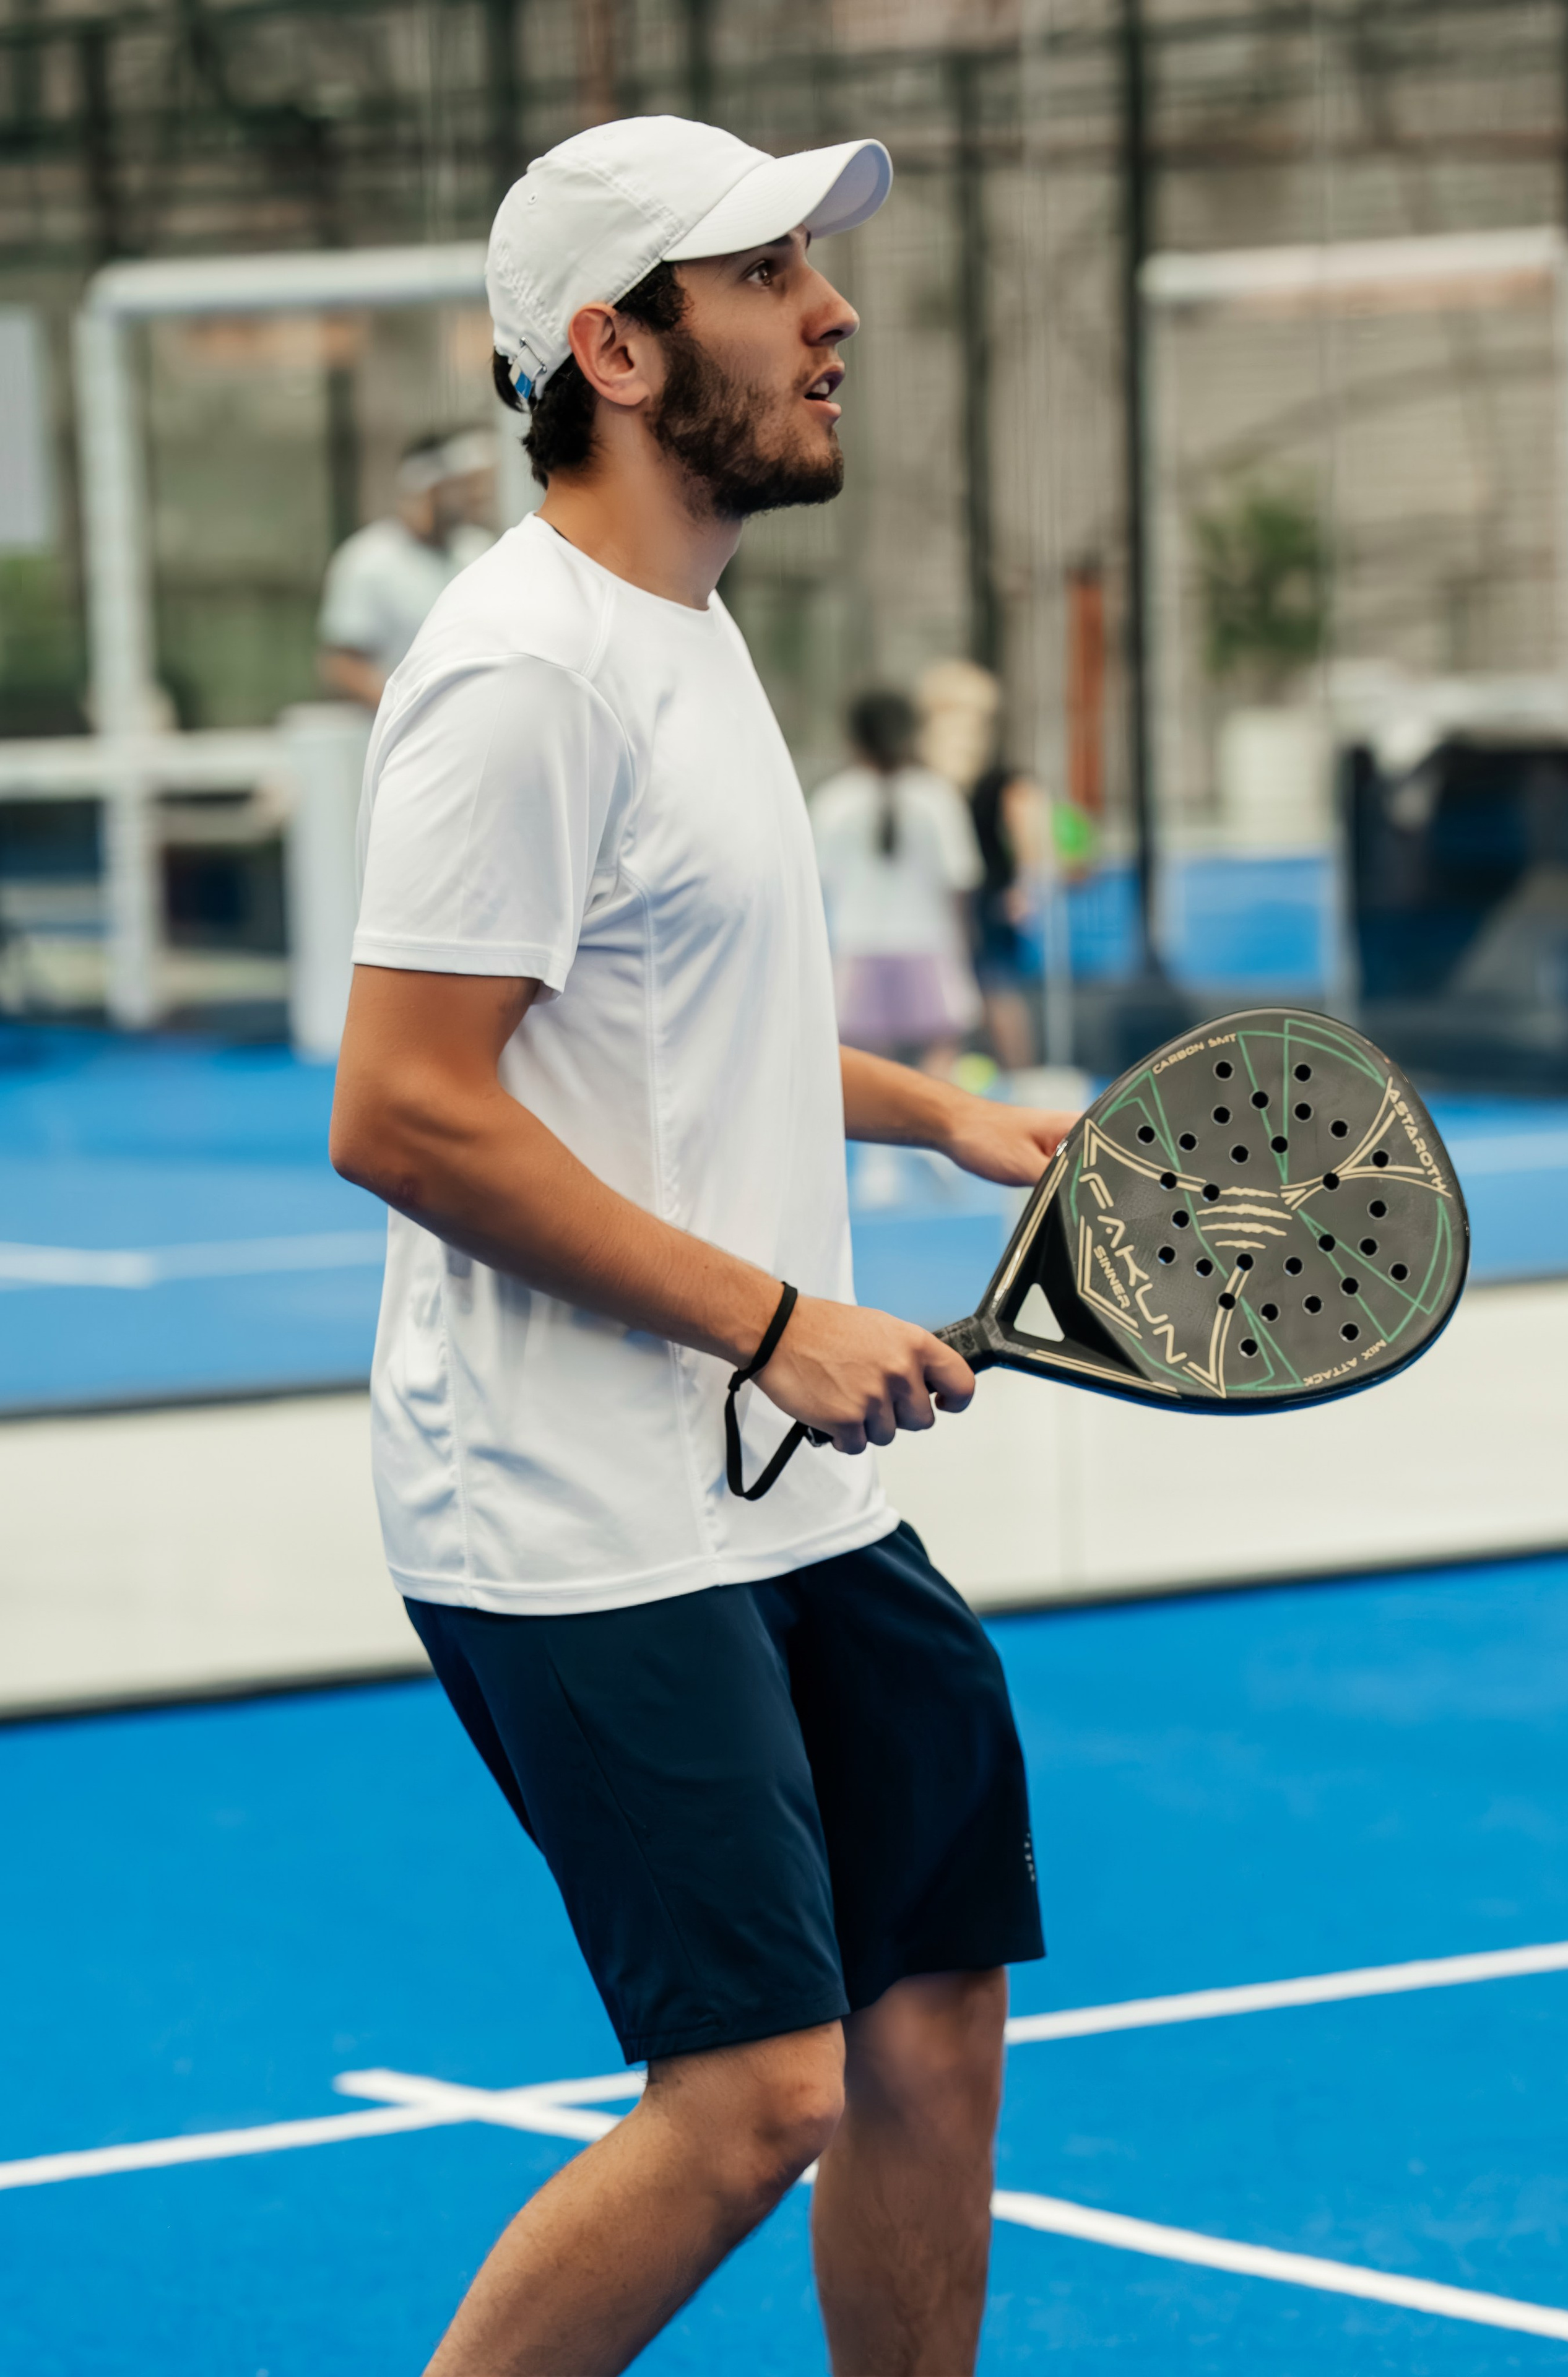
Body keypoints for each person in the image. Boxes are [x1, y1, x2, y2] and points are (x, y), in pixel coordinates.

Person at [331, 113, 1077, 2377]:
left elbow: (675, 1032)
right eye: (765, 278)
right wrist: (773, 1320)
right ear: (617, 352)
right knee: (759, 2092)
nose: (830, 312)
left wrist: (942, 1111)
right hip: (575, 1509)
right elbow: (405, 1107)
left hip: (774, 1483)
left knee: (929, 2003)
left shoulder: (682, 635)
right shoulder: (524, 671)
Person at [809, 687, 983, 1075]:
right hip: (928, 942)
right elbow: (960, 880)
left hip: (857, 946)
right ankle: (937, 1128)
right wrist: (965, 946)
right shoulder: (936, 797)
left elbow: (819, 883)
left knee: (868, 1063)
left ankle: (876, 1138)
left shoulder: (832, 801)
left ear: (852, 738)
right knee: (942, 1047)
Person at [316, 428, 496, 708]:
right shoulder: (367, 560)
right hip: (404, 732)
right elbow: (342, 665)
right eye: (444, 490)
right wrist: (407, 708)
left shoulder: (480, 550)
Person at [968, 760, 1055, 1074]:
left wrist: (1027, 888)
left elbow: (1029, 834)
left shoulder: (1004, 781)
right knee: (986, 992)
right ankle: (1009, 1068)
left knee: (998, 991)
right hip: (984, 897)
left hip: (995, 900)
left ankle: (1020, 1071)